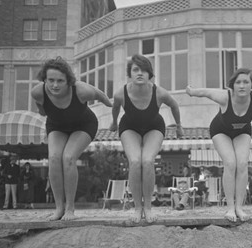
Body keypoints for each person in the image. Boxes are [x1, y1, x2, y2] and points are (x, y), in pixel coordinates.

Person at [31, 56, 112, 221]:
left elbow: (101, 95)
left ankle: (70, 209)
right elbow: (42, 110)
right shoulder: (37, 92)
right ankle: (59, 208)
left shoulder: (81, 90)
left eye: (60, 81)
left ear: (68, 80)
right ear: (44, 79)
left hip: (83, 125)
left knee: (68, 158)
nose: (55, 85)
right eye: (50, 80)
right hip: (57, 126)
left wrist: (113, 110)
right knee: (54, 158)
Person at [109, 54, 183, 224]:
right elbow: (115, 108)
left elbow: (174, 105)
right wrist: (113, 122)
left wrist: (178, 126)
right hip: (129, 127)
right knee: (135, 162)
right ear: (130, 74)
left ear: (150, 74)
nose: (140, 73)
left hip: (154, 127)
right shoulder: (121, 93)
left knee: (147, 161)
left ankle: (148, 207)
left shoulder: (159, 92)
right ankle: (137, 208)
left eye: (144, 70)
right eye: (136, 70)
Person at [186, 68, 252, 222]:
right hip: (220, 130)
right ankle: (230, 208)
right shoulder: (224, 97)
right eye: (238, 82)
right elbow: (206, 92)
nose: (242, 86)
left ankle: (239, 208)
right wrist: (192, 91)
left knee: (242, 164)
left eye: (246, 82)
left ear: (251, 85)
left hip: (242, 131)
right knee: (230, 163)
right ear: (232, 86)